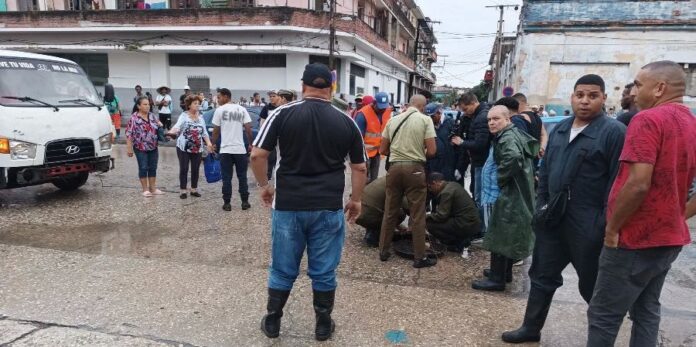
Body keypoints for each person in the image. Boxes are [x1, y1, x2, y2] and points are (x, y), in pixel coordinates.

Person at [502, 74, 626, 343]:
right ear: (572, 97)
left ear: (604, 99)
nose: (585, 101)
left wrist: (604, 224)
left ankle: (600, 339)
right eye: (580, 95)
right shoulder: (560, 128)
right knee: (542, 275)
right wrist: (542, 204)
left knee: (593, 285)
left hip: (588, 222)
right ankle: (530, 328)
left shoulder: (613, 133)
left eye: (592, 96)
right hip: (553, 219)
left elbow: (617, 184)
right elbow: (545, 170)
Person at [250, 63, 367, 341]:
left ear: (303, 86)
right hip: (328, 207)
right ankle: (323, 325)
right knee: (324, 270)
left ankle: (273, 321)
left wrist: (265, 186)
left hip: (289, 205)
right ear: (331, 88)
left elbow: (257, 155)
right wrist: (356, 200)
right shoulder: (346, 121)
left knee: (282, 267)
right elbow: (360, 167)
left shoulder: (282, 113)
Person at [587, 61, 696, 346]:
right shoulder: (691, 122)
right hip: (668, 237)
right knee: (647, 310)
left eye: (638, 84)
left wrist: (613, 229)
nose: (633, 92)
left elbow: (638, 183)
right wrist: (679, 215)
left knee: (603, 315)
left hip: (634, 239)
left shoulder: (647, 119)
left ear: (659, 88)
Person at [471, 106, 538, 292]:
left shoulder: (507, 137)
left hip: (506, 194)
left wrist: (500, 178)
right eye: (490, 119)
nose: (492, 122)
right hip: (512, 193)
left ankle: (497, 279)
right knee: (506, 233)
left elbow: (513, 157)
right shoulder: (511, 134)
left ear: (507, 120)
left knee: (498, 234)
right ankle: (503, 272)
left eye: (496, 119)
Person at [378, 94, 438, 268]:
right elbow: (432, 151)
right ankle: (420, 257)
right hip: (415, 169)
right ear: (423, 106)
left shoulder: (393, 120)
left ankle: (383, 251)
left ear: (409, 104)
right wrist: (417, 158)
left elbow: (383, 149)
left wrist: (399, 156)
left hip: (394, 169)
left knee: (390, 211)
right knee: (417, 214)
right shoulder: (425, 120)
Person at [451, 92, 491, 238]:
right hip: (478, 162)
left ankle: (481, 230)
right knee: (476, 193)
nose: (464, 112)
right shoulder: (475, 116)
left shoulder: (481, 118)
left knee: (480, 196)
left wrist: (462, 142)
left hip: (482, 162)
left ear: (473, 103)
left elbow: (480, 144)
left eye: (465, 109)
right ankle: (480, 227)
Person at [211, 88, 253, 211]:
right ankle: (245, 202)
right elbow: (248, 130)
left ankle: (227, 204)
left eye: (219, 97)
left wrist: (213, 143)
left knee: (226, 178)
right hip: (240, 150)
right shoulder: (242, 109)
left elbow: (216, 131)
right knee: (242, 177)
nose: (218, 100)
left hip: (225, 150)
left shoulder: (219, 110)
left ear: (226, 96)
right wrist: (251, 144)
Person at [168, 95, 215, 199]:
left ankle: (194, 189)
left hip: (197, 147)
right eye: (195, 103)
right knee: (184, 168)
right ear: (189, 105)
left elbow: (204, 133)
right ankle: (183, 190)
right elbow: (177, 127)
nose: (197, 105)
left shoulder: (201, 117)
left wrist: (209, 143)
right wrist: (171, 132)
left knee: (195, 169)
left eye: (198, 103)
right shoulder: (184, 116)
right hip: (183, 147)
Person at [426, 172, 480, 253]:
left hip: (466, 224)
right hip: (473, 222)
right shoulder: (453, 184)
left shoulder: (446, 192)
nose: (430, 190)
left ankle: (456, 243)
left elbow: (441, 216)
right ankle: (461, 240)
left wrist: (426, 216)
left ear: (435, 183)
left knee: (428, 224)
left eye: (430, 187)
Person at [125, 96, 164, 197]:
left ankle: (153, 188)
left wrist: (161, 126)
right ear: (139, 106)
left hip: (153, 146)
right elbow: (129, 134)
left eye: (148, 104)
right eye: (145, 104)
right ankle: (145, 189)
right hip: (140, 147)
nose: (147, 106)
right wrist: (129, 148)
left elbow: (159, 125)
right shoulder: (134, 118)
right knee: (143, 167)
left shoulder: (152, 116)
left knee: (153, 167)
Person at [356, 176, 409, 247]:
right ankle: (374, 235)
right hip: (367, 215)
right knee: (401, 213)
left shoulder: (390, 177)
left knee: (380, 207)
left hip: (358, 212)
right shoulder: (404, 184)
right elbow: (407, 207)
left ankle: (371, 230)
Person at [354, 92, 392, 183]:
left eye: (384, 107)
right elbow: (357, 138)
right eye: (380, 107)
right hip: (365, 153)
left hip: (378, 152)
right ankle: (359, 195)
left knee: (374, 179)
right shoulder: (362, 114)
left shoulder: (387, 111)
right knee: (363, 178)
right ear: (374, 103)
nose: (382, 110)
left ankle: (370, 195)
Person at [424, 103, 457, 181]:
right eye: (428, 117)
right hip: (433, 165)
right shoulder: (427, 125)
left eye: (432, 116)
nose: (430, 119)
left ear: (439, 113)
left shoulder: (450, 123)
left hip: (448, 164)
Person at [512, 93, 547, 157]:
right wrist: (542, 148)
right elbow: (544, 134)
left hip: (525, 158)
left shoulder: (519, 118)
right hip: (536, 156)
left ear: (517, 103)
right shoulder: (537, 117)